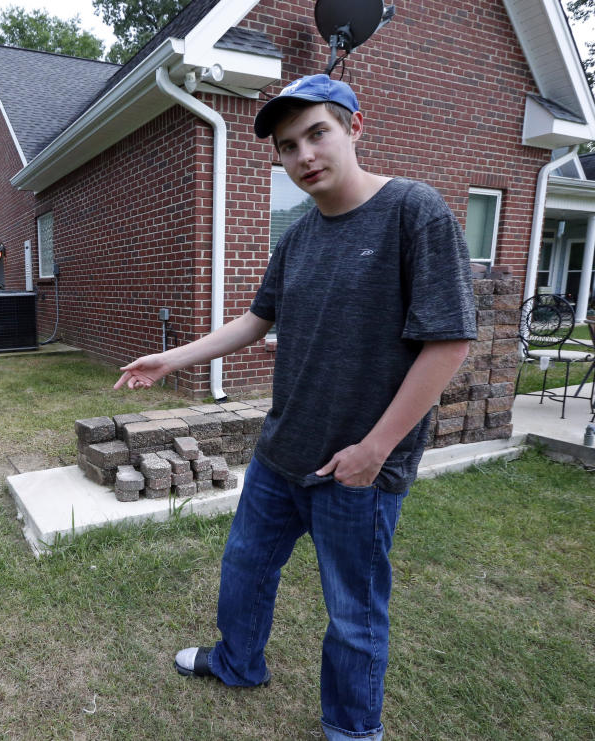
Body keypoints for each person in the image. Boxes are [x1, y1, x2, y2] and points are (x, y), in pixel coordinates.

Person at [113, 74, 476, 740]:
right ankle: (237, 662)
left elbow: (448, 342)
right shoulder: (300, 234)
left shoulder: (414, 212)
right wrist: (173, 360)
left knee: (353, 614)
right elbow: (256, 320)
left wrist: (376, 449)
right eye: (287, 146)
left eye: (317, 133)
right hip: (282, 454)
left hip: (356, 468)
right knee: (245, 566)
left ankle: (352, 729)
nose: (304, 155)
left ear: (354, 127)